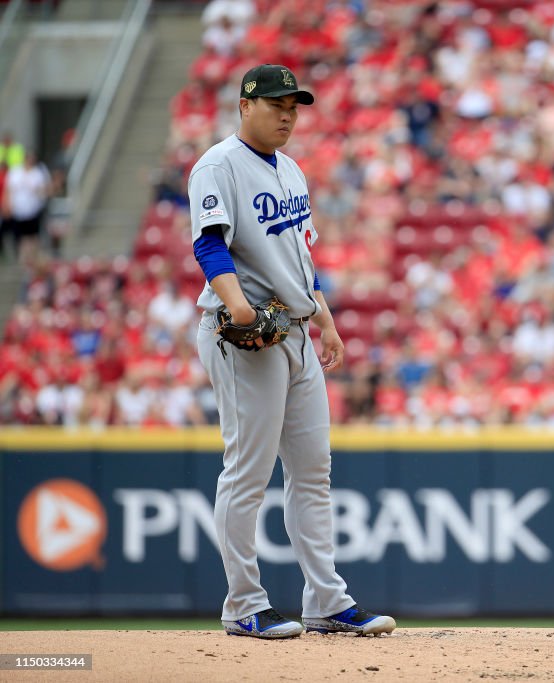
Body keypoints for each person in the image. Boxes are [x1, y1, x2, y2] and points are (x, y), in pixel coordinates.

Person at [189, 64, 396, 639]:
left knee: (313, 471)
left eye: (294, 106)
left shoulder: (292, 169)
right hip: (245, 334)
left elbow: (299, 260)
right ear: (244, 105)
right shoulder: (217, 165)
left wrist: (325, 321)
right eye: (276, 103)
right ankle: (243, 604)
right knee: (248, 471)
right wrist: (238, 305)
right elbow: (209, 244)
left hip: (298, 332)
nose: (287, 114)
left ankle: (326, 600)